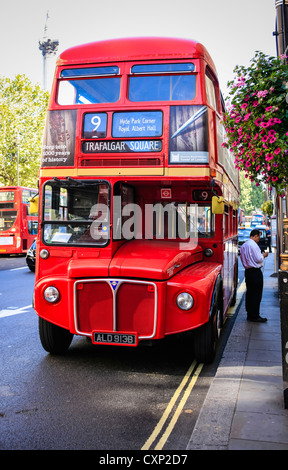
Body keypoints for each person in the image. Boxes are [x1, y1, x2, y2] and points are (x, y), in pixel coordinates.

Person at [240, 229, 269, 322]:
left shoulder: (244, 245)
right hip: (255, 272)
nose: (259, 239)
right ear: (255, 236)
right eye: (258, 237)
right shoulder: (254, 245)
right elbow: (258, 259)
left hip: (248, 272)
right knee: (256, 294)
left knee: (250, 294)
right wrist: (264, 255)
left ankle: (250, 314)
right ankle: (255, 315)